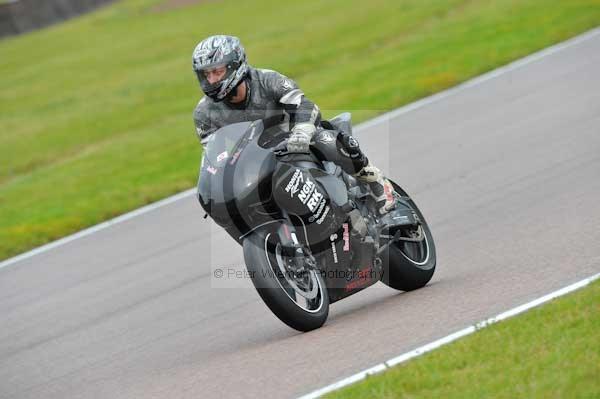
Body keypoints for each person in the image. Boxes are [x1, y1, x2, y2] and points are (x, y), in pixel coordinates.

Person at [192, 35, 397, 215]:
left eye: (216, 72)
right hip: (258, 164)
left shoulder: (267, 80)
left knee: (325, 139)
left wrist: (301, 132)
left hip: (296, 143)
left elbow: (306, 105)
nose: (211, 80)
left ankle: (375, 182)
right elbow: (215, 157)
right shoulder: (203, 114)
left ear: (235, 64)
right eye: (206, 74)